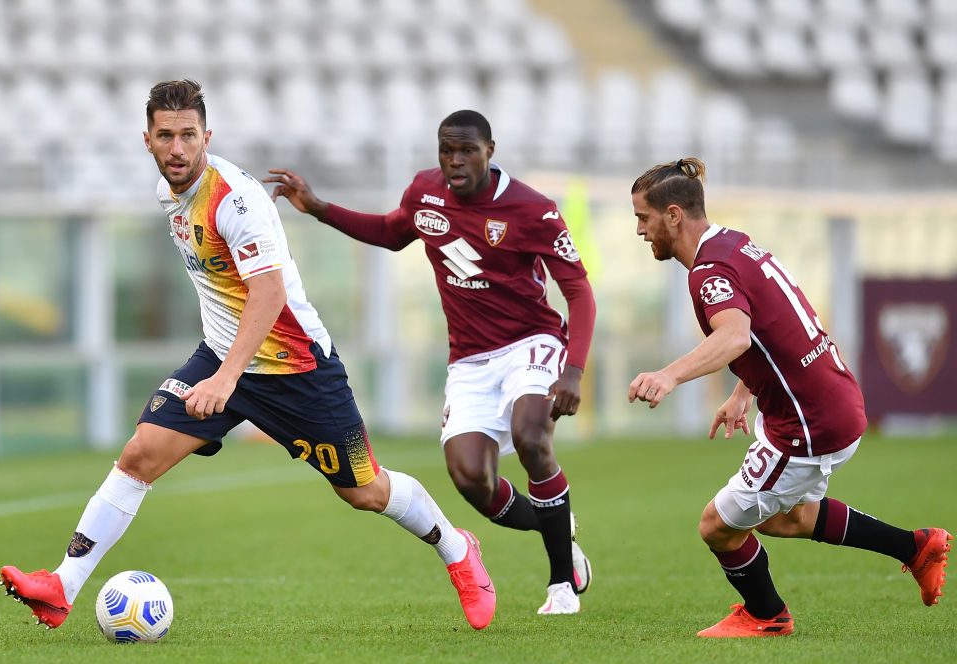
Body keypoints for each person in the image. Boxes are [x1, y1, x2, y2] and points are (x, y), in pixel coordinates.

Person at [0, 80, 495, 632]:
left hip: (295, 368)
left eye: (189, 135)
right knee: (141, 454)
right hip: (222, 354)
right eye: (166, 136)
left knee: (365, 490)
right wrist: (222, 370)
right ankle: (62, 587)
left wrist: (225, 381)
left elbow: (269, 293)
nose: (178, 148)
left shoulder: (235, 199)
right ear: (147, 140)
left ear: (207, 136)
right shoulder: (170, 191)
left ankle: (457, 549)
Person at [264, 110, 597, 615]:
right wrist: (317, 207)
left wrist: (572, 370)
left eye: (467, 150)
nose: (455, 160)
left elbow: (578, 291)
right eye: (447, 150)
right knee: (471, 481)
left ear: (491, 149)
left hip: (532, 342)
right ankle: (557, 526)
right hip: (469, 361)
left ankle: (561, 586)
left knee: (532, 436)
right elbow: (391, 233)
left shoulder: (533, 209)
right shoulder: (425, 192)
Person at [627, 157, 951, 637]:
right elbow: (772, 324)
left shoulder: (709, 269)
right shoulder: (734, 242)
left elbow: (736, 336)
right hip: (831, 398)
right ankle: (916, 546)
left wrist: (670, 376)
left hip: (808, 421)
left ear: (673, 215)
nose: (639, 231)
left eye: (643, 218)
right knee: (788, 518)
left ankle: (767, 615)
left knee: (717, 525)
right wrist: (743, 392)